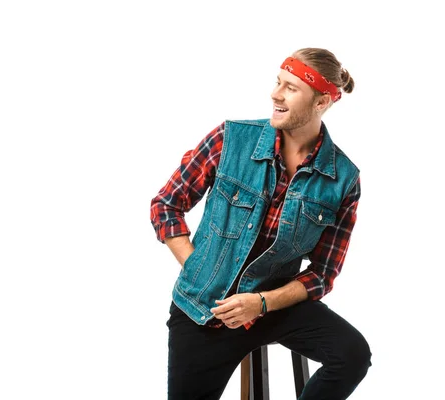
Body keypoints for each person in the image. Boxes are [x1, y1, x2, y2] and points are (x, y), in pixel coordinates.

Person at [150, 47, 372, 400]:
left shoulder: (343, 178)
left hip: (275, 306)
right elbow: (166, 205)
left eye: (291, 88)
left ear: (321, 103)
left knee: (352, 355)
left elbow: (323, 273)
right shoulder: (231, 138)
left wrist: (262, 303)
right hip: (204, 309)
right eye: (278, 82)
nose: (275, 94)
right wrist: (201, 269)